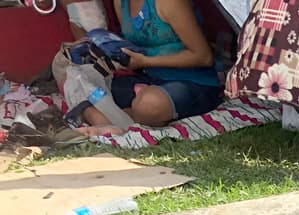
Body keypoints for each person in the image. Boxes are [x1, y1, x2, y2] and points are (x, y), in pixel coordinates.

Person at [80, 0, 221, 129]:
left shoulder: (169, 3)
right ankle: (119, 118)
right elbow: (133, 44)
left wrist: (146, 61)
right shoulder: (120, 2)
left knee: (148, 105)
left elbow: (203, 57)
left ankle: (114, 119)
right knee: (90, 90)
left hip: (192, 81)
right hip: (148, 79)